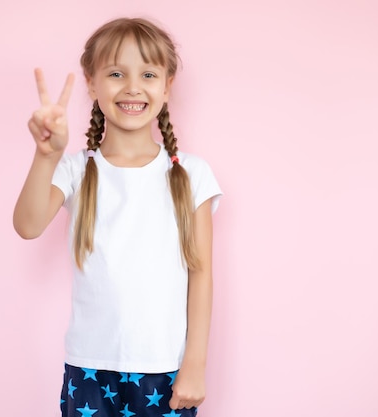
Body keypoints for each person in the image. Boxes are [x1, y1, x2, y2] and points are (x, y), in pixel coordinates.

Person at [13, 17, 222, 417]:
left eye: (147, 73)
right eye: (115, 73)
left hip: (164, 370)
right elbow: (27, 225)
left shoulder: (192, 174)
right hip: (89, 367)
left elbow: (202, 274)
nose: (132, 86)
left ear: (167, 85)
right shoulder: (75, 169)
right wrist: (46, 155)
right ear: (91, 84)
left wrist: (195, 364)